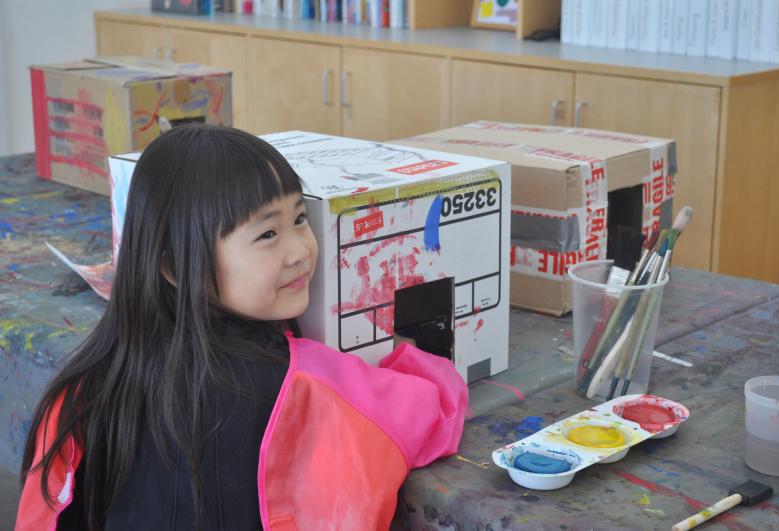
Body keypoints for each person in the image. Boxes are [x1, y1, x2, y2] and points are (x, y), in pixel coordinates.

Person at [15, 125, 468, 530]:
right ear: (175, 266)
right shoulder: (306, 382)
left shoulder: (84, 385)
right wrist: (403, 348)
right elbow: (437, 410)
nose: (300, 251)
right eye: (267, 235)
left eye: (298, 219)